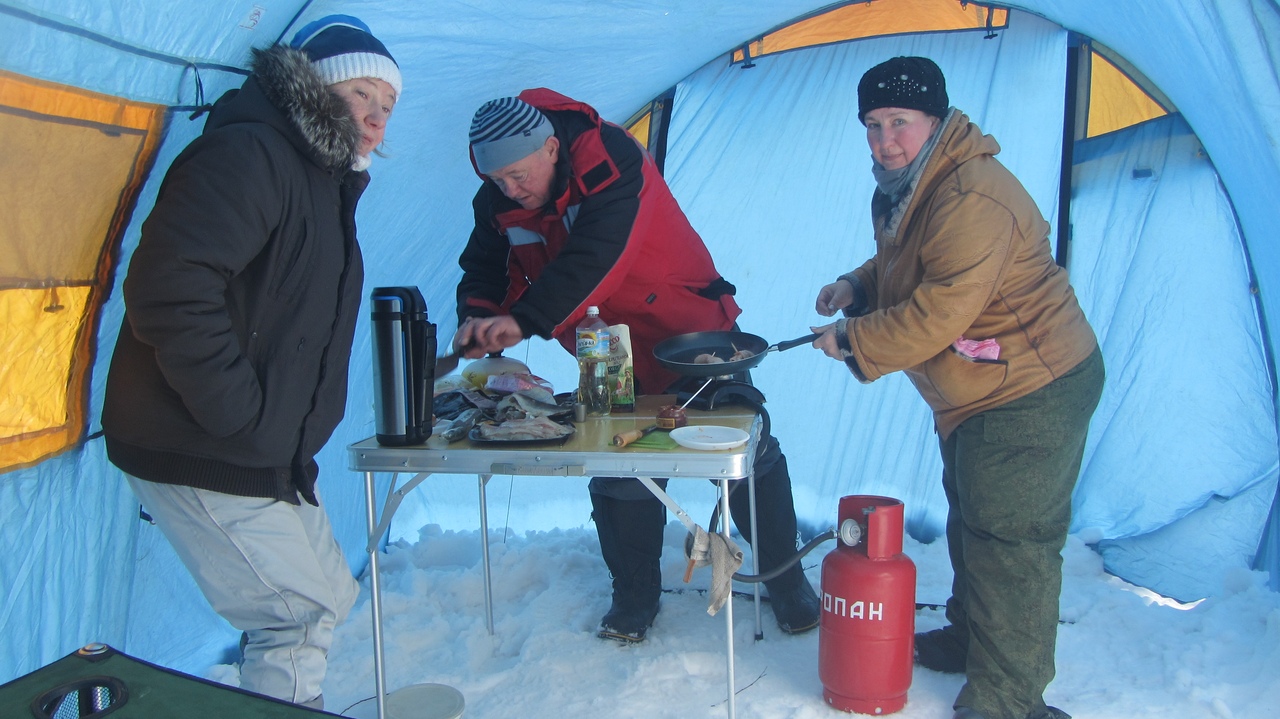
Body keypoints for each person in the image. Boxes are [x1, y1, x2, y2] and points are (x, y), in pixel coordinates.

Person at [100, 15, 401, 710]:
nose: (377, 119)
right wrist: (238, 412)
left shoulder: (324, 186)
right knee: (293, 619)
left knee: (330, 591)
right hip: (202, 440)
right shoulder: (251, 155)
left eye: (387, 109)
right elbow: (169, 288)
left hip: (270, 451)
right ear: (316, 87)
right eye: (362, 95)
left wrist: (274, 430)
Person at [454, 90, 820, 642]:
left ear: (551, 147)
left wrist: (526, 319)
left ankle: (786, 582)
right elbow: (485, 264)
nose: (510, 189)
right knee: (616, 458)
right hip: (602, 340)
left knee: (742, 453)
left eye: (517, 175)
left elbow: (600, 251)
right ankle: (633, 597)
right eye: (497, 180)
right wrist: (478, 318)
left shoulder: (613, 158)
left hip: (686, 331)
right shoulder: (499, 198)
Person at [810, 57, 1104, 719]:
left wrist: (854, 338)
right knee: (975, 518)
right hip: (978, 385)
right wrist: (859, 285)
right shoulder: (912, 183)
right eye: (873, 124)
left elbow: (939, 309)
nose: (884, 138)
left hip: (1030, 386)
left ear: (935, 121)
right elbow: (909, 261)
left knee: (1010, 541)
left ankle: (1009, 694)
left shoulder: (972, 194)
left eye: (899, 122)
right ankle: (976, 636)